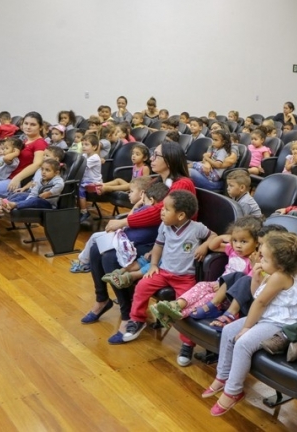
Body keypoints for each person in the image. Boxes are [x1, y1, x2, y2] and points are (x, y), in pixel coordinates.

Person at [81, 142, 197, 342]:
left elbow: (157, 213)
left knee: (109, 256)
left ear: (168, 160)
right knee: (95, 247)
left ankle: (129, 316)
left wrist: (124, 221)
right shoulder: (158, 180)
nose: (151, 158)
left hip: (165, 242)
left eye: (156, 155)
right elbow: (142, 202)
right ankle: (102, 300)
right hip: (153, 234)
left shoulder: (182, 183)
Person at [203, 231, 297, 416]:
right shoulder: (272, 273)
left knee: (243, 343)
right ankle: (222, 376)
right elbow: (255, 296)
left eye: (265, 258)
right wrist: (257, 277)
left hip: (281, 322)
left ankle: (233, 391)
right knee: (228, 330)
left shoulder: (279, 277)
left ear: (281, 264)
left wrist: (246, 328)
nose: (260, 260)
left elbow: (260, 304)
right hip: (269, 315)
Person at [151, 216, 263, 364]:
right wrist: (224, 237)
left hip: (228, 297)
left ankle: (173, 315)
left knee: (205, 299)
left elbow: (247, 282)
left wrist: (254, 265)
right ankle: (176, 305)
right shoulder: (232, 251)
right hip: (216, 285)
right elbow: (213, 246)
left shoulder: (253, 261)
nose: (238, 245)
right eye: (235, 240)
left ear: (256, 243)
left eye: (244, 241)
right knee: (200, 286)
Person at [118, 190, 216, 346]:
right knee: (142, 286)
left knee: (186, 306)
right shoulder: (164, 226)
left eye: (166, 209)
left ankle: (187, 343)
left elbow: (214, 236)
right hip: (163, 272)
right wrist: (154, 265)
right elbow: (158, 246)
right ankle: (137, 320)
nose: (161, 211)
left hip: (185, 278)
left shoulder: (197, 228)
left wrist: (204, 246)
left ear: (181, 215)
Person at [70, 176, 157, 273]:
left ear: (142, 193)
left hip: (129, 241)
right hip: (126, 237)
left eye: (131, 192)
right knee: (96, 240)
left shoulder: (145, 209)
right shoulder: (142, 206)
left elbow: (129, 220)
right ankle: (85, 262)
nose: (128, 194)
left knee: (95, 237)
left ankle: (83, 263)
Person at [0, 111, 48, 243]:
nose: (28, 127)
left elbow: (38, 164)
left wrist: (17, 178)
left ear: (40, 127)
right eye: (26, 123)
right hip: (6, 176)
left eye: (33, 124)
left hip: (18, 182)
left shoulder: (40, 143)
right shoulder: (23, 140)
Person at [0, 159, 64, 212]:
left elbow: (60, 185)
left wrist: (49, 193)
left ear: (56, 173)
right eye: (42, 169)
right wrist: (28, 199)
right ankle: (6, 204)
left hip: (48, 204)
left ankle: (15, 204)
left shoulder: (57, 179)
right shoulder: (40, 180)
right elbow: (34, 193)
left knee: (36, 201)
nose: (43, 172)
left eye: (47, 170)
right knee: (21, 195)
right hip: (37, 199)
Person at [78, 134, 103, 223]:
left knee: (80, 188)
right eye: (82, 144)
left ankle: (84, 211)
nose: (83, 147)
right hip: (86, 180)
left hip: (94, 182)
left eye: (86, 144)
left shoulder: (95, 158)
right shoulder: (85, 155)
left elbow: (80, 165)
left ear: (94, 146)